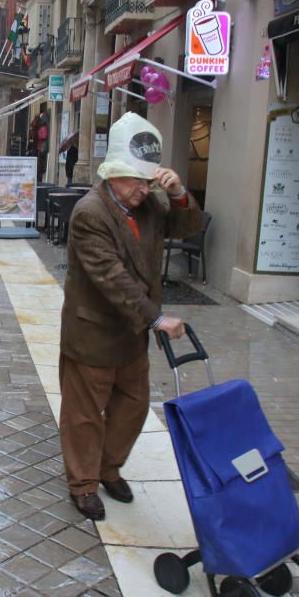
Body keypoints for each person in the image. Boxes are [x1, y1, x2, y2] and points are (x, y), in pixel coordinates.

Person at [58, 113, 201, 520]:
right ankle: (83, 483)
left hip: (131, 335)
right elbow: (112, 279)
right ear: (113, 175)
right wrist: (156, 319)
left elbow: (187, 227)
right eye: (137, 182)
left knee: (133, 406)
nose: (144, 190)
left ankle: (108, 467)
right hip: (94, 334)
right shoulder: (90, 213)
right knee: (84, 414)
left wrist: (177, 194)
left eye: (148, 182)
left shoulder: (148, 205)